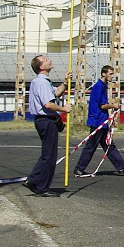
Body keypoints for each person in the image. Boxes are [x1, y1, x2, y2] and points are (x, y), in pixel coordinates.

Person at [24, 55, 73, 197]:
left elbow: (55, 93)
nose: (50, 61)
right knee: (49, 157)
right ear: (41, 67)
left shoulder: (42, 82)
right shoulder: (42, 82)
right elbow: (48, 104)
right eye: (46, 60)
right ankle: (41, 187)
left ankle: (34, 180)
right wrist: (64, 109)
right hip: (46, 120)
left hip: (43, 120)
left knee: (47, 154)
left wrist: (65, 82)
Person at [73, 65, 124, 177]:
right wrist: (113, 105)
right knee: (91, 146)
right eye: (110, 74)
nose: (112, 76)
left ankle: (121, 167)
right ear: (103, 74)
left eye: (112, 74)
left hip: (102, 121)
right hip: (97, 122)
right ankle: (79, 169)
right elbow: (102, 106)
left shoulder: (103, 86)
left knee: (109, 144)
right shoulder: (99, 87)